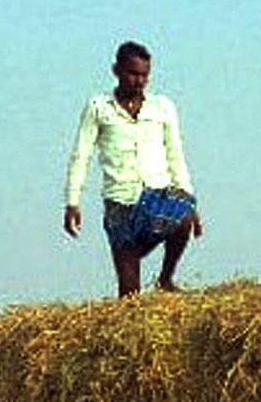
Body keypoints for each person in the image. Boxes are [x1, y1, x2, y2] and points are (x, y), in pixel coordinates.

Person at [63, 39, 204, 296]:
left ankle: (165, 279)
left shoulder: (162, 107)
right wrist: (73, 202)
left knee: (183, 218)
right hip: (120, 203)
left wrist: (189, 198)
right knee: (129, 295)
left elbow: (175, 154)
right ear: (116, 71)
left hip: (156, 195)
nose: (138, 81)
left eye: (144, 76)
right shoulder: (98, 108)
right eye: (132, 74)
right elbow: (80, 155)